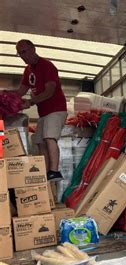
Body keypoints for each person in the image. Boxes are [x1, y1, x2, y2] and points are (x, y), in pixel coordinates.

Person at [12, 39, 67, 181]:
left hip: (56, 109)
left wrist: (30, 102)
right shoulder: (28, 70)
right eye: (19, 54)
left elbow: (49, 91)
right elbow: (21, 91)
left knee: (49, 137)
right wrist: (5, 95)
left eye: (24, 52)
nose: (22, 56)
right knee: (39, 141)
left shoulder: (47, 66)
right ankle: (45, 171)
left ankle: (54, 172)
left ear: (33, 49)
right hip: (44, 112)